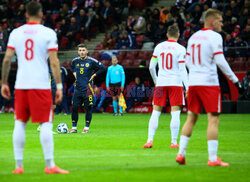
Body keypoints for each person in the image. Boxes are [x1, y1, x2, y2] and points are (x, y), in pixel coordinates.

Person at [1, 2, 69, 174]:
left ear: (25, 15)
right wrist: (59, 86)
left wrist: (3, 83)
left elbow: (7, 60)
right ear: (41, 15)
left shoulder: (16, 33)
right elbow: (54, 62)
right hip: (40, 85)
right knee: (46, 123)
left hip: (21, 84)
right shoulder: (48, 33)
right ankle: (50, 165)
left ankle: (18, 166)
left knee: (20, 123)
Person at [176, 9, 242, 167]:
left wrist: (192, 78)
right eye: (220, 20)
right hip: (209, 83)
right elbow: (220, 60)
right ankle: (213, 159)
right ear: (211, 21)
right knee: (213, 119)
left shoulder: (193, 37)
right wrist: (235, 80)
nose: (222, 23)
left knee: (191, 118)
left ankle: (181, 154)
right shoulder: (215, 36)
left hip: (193, 82)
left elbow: (187, 62)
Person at [142, 25, 188, 149]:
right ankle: (173, 142)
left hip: (161, 83)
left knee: (155, 112)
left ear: (167, 34)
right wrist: (187, 87)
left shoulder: (159, 47)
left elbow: (151, 67)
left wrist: (156, 81)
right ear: (178, 35)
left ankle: (149, 140)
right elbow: (182, 69)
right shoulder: (181, 49)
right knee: (175, 113)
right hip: (176, 83)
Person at [69, 44, 106, 133]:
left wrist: (94, 75)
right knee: (74, 107)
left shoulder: (91, 61)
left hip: (88, 88)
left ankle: (86, 128)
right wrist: (74, 74)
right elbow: (71, 67)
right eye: (80, 50)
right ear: (78, 52)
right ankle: (74, 128)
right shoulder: (75, 61)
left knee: (88, 107)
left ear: (87, 51)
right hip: (77, 88)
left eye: (83, 50)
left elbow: (103, 68)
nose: (82, 52)